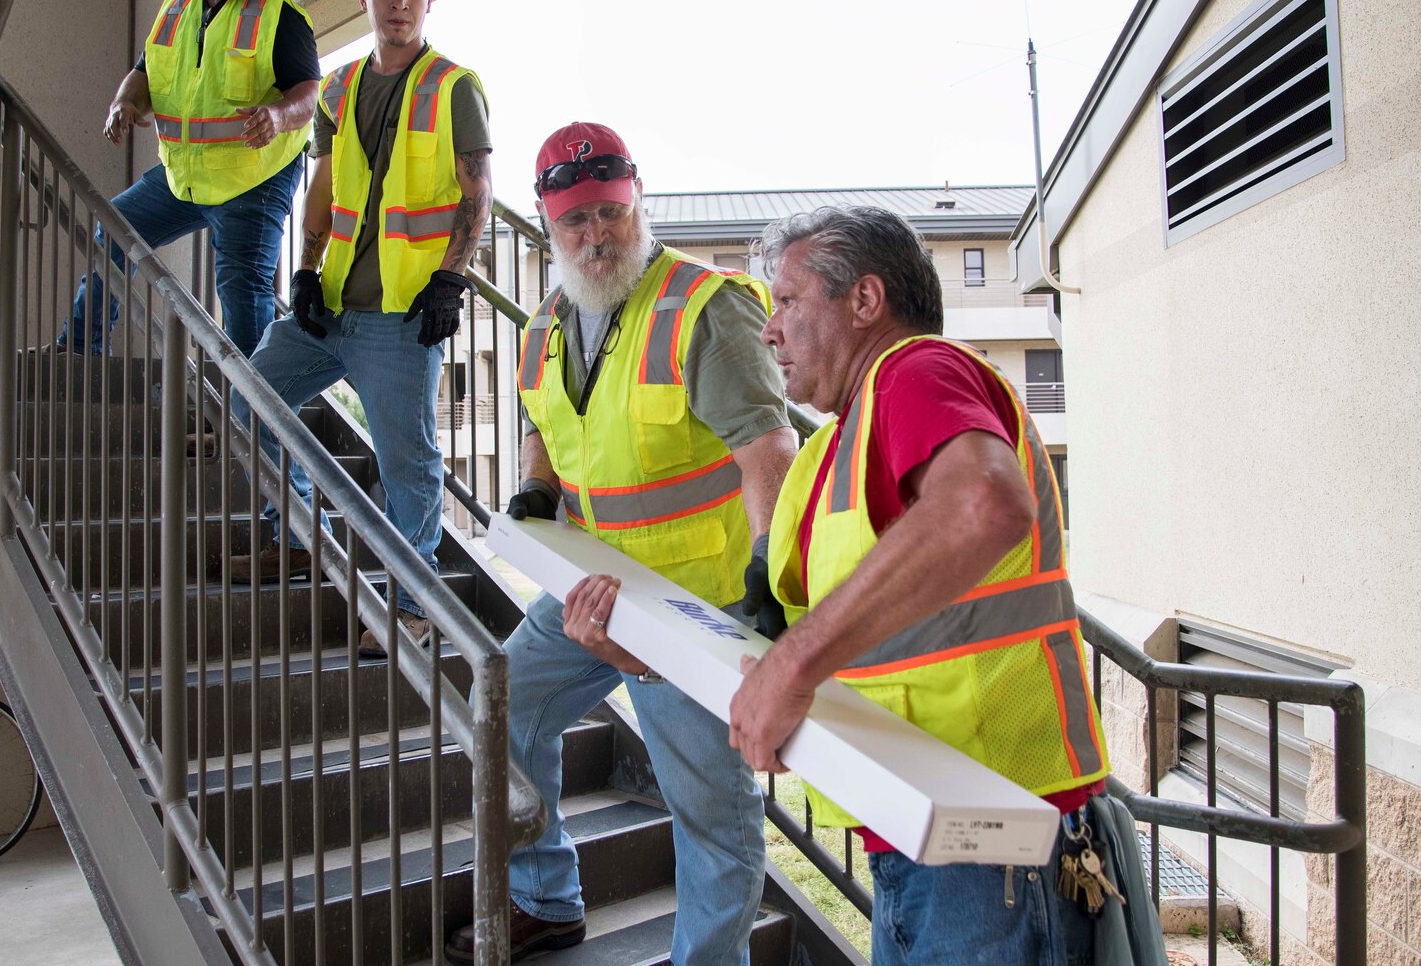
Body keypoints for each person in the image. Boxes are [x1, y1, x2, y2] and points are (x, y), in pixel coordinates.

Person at [445, 123, 798, 965]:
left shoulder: (701, 308)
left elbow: (768, 450)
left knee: (711, 819)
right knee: (501, 712)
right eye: (574, 221)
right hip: (594, 593)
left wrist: (769, 579)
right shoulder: (545, 326)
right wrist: (537, 484)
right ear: (546, 221)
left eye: (608, 212)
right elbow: (543, 419)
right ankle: (547, 896)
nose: (595, 234)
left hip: (696, 607)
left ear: (636, 201)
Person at [727, 206, 1112, 966]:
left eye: (788, 302)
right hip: (925, 834)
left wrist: (793, 666)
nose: (770, 330)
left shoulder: (915, 369)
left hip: (991, 841)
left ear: (865, 302)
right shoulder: (834, 443)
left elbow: (984, 503)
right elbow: (808, 624)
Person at [224, 0, 492, 656]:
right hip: (331, 304)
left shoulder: (453, 85)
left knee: (409, 464)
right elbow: (323, 187)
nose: (398, 3)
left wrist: (450, 278)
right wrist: (305, 272)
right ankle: (300, 536)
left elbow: (477, 190)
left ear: (429, 0)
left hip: (401, 316)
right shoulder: (339, 88)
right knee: (245, 397)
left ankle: (414, 606)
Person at [54, 0, 318, 360]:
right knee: (114, 231)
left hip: (252, 178)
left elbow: (308, 94)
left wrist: (276, 117)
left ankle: (252, 421)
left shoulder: (277, 13)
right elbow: (144, 73)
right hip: (184, 178)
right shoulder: (174, 12)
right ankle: (79, 349)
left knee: (242, 286)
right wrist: (123, 103)